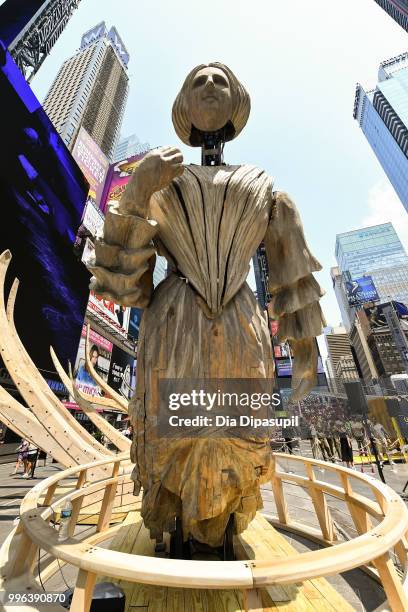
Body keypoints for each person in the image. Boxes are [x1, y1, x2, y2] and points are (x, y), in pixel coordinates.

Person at [88, 63, 325, 548]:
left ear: (237, 101)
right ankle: (175, 531)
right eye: (200, 80)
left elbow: (291, 274)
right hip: (174, 326)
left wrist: (305, 350)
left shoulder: (265, 188)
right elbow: (121, 286)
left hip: (241, 327)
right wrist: (136, 189)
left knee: (236, 440)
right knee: (173, 437)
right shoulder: (160, 181)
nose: (212, 86)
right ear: (183, 105)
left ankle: (229, 531)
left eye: (221, 80)